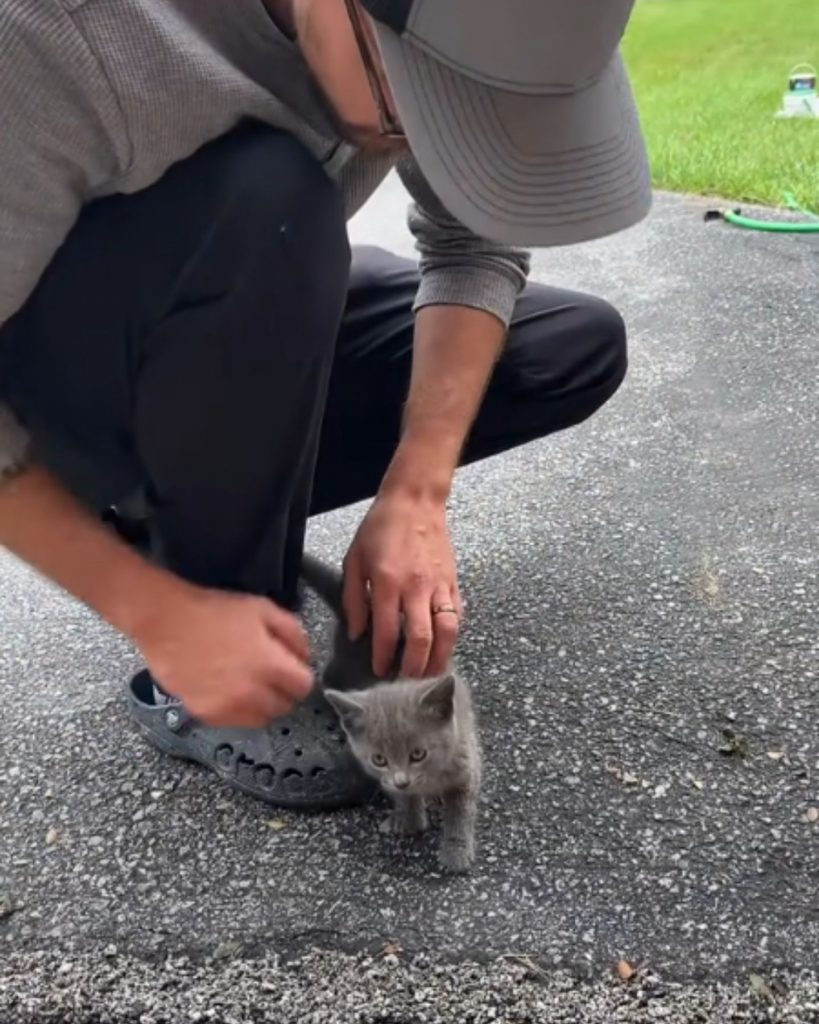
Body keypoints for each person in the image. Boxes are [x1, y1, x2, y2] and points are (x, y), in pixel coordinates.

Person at [0, 0, 651, 808]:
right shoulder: (60, 32)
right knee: (276, 202)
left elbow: (473, 234)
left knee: (566, 345)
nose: (432, 144)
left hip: (224, 286)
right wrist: (156, 611)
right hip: (54, 400)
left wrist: (417, 491)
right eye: (421, 103)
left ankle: (203, 497)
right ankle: (206, 626)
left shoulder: (472, 26)